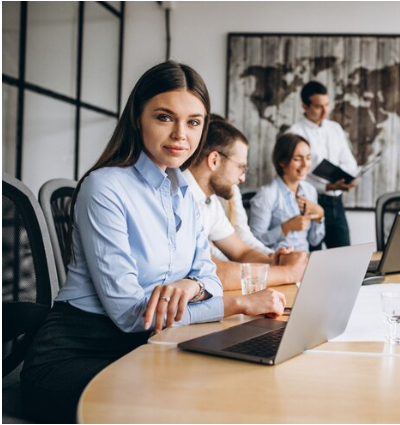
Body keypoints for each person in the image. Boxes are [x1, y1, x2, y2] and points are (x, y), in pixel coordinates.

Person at [20, 61, 286, 423]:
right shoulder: (105, 187)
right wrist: (238, 302)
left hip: (144, 349)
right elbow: (132, 315)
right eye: (165, 117)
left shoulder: (186, 197)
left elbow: (206, 276)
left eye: (193, 122)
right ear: (137, 118)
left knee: (240, 386)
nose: (181, 134)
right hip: (76, 355)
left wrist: (190, 285)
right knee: (187, 407)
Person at [183, 118, 307, 289]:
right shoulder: (178, 198)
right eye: (241, 167)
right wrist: (287, 272)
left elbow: (242, 251)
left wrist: (274, 261)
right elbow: (208, 273)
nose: (242, 178)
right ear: (214, 160)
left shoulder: (210, 203)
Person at [288, 81, 358, 249]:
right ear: (305, 106)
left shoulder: (335, 128)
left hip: (337, 203)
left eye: (327, 105)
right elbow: (293, 177)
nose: (325, 111)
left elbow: (350, 163)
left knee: (344, 256)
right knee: (313, 259)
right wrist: (326, 187)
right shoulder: (294, 133)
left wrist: (347, 180)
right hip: (310, 202)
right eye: (319, 107)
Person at [250, 133, 325, 251]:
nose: (305, 164)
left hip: (305, 261)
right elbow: (254, 242)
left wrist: (320, 216)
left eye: (308, 158)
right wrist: (286, 227)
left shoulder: (310, 191)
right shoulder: (266, 195)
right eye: (297, 159)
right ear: (282, 161)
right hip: (277, 263)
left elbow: (314, 240)